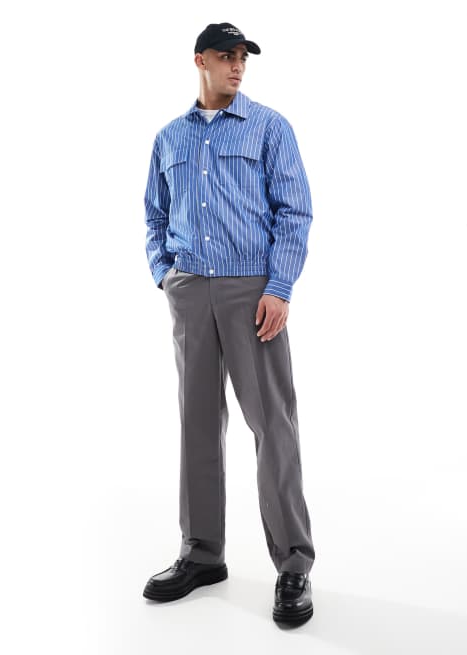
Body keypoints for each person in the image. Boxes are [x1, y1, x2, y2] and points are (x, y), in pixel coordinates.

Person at [142, 22, 315, 627]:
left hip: (252, 295)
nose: (237, 66)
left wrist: (279, 287)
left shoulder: (269, 128)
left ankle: (293, 563)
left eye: (243, 57)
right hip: (191, 292)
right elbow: (154, 215)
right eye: (226, 56)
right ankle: (201, 553)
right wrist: (166, 276)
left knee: (273, 426)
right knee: (196, 423)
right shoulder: (169, 138)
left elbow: (295, 211)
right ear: (201, 61)